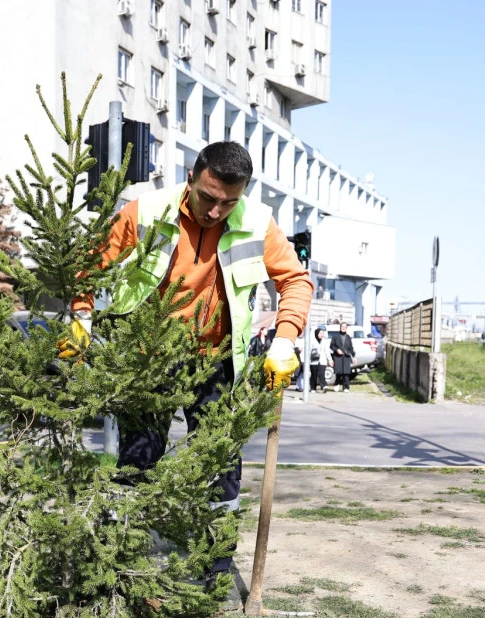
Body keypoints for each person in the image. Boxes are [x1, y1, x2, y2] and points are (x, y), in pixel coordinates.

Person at [65, 140, 313, 580]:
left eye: (228, 203)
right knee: (138, 458)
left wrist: (285, 338)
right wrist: (81, 316)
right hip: (148, 357)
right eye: (209, 198)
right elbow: (89, 264)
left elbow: (295, 280)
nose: (216, 212)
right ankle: (121, 561)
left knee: (218, 461)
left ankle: (213, 568)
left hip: (215, 360)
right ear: (191, 178)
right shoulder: (146, 212)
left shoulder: (257, 222)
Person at [330, 321, 356, 392]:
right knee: (339, 372)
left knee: (346, 373)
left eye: (345, 327)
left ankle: (346, 387)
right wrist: (337, 349)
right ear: (340, 327)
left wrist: (354, 356)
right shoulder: (335, 336)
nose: (343, 328)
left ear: (346, 328)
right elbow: (332, 345)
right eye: (342, 327)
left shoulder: (348, 337)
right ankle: (337, 384)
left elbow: (351, 348)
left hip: (346, 357)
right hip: (338, 357)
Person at [310, 326, 331, 392]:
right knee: (314, 374)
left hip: (322, 360)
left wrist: (330, 359)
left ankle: (324, 386)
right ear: (316, 334)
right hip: (314, 360)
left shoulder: (325, 341)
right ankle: (313, 388)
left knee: (321, 373)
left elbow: (327, 351)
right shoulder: (312, 341)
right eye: (320, 333)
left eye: (322, 333)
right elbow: (309, 350)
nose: (322, 335)